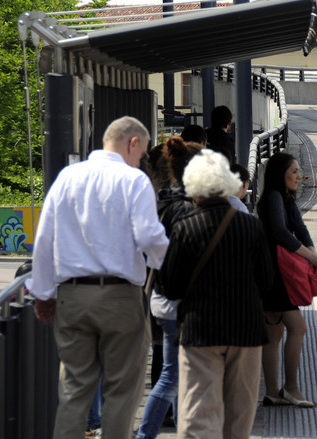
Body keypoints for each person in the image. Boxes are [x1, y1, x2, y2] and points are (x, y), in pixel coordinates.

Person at [28, 116, 169, 439]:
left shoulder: (68, 177)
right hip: (120, 298)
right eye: (143, 152)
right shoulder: (134, 181)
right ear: (132, 143)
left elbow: (46, 238)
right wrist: (166, 261)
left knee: (74, 389)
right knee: (122, 390)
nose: (142, 160)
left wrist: (44, 293)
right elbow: (149, 237)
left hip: (72, 296)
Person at [157, 149, 273, 438]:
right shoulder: (251, 226)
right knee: (239, 413)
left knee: (198, 411)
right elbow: (267, 280)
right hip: (246, 330)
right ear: (227, 183)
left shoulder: (185, 227)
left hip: (201, 330)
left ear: (193, 187)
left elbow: (169, 286)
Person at [136, 137, 201, 439]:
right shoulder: (187, 207)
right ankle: (159, 427)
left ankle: (165, 422)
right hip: (179, 295)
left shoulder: (156, 201)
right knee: (174, 373)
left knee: (165, 365)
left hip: (155, 289)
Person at [256, 152, 317, 408]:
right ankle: (291, 387)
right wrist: (309, 255)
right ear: (280, 174)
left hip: (274, 274)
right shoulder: (274, 197)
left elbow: (300, 227)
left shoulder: (283, 197)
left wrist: (313, 252)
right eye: (295, 171)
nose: (300, 176)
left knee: (274, 333)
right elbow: (279, 231)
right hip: (276, 277)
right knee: (298, 328)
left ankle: (273, 392)